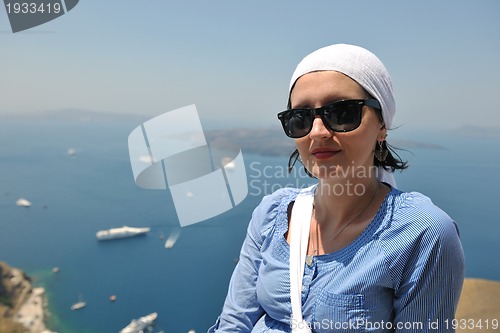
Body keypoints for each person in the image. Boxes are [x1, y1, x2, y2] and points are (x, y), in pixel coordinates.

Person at [208, 44, 465, 333]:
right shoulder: (272, 214)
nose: (317, 132)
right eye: (300, 118)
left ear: (382, 126)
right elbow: (233, 324)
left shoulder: (422, 232)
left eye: (342, 112)